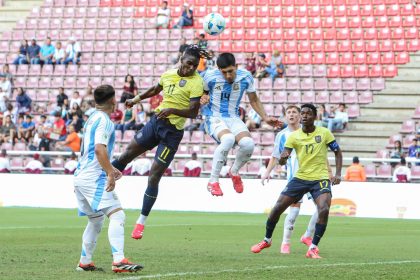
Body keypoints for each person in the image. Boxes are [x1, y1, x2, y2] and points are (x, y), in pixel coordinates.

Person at [111, 46, 208, 240]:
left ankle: (141, 222)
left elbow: (192, 112)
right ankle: (98, 183)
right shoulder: (169, 74)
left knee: (154, 175)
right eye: (189, 64)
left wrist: (172, 110)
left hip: (172, 133)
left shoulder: (197, 82)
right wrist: (136, 98)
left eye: (195, 66)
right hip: (156, 123)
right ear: (182, 59)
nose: (191, 69)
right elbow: (156, 89)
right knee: (126, 155)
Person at [251, 104, 342, 259]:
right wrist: (283, 158)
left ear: (314, 116)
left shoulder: (325, 133)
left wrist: (338, 173)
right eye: (303, 114)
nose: (305, 116)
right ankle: (267, 240)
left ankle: (313, 247)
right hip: (300, 178)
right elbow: (283, 157)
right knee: (277, 208)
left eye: (308, 113)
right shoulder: (293, 136)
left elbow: (337, 152)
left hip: (320, 178)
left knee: (324, 209)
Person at [73, 85, 143, 273]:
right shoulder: (104, 121)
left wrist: (110, 168)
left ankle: (84, 262)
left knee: (95, 220)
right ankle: (119, 260)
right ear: (113, 100)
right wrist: (110, 173)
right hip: (92, 178)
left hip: (80, 176)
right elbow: (98, 149)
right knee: (117, 215)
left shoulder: (91, 118)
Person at [200, 52, 281, 196]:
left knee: (248, 144)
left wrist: (265, 117)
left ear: (236, 66)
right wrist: (202, 97)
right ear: (219, 70)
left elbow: (254, 99)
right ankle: (213, 181)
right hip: (213, 116)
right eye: (224, 72)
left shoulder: (246, 76)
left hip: (233, 117)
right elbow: (200, 93)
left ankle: (234, 171)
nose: (228, 76)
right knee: (228, 139)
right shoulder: (209, 76)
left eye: (231, 71)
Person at [260, 105, 320, 254]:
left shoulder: (310, 131)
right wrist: (267, 172)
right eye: (289, 112)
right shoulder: (282, 135)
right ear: (285, 116)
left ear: (300, 116)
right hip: (295, 178)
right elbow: (276, 155)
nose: (292, 115)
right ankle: (285, 243)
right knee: (293, 212)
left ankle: (307, 236)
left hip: (314, 175)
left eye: (294, 112)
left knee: (322, 208)